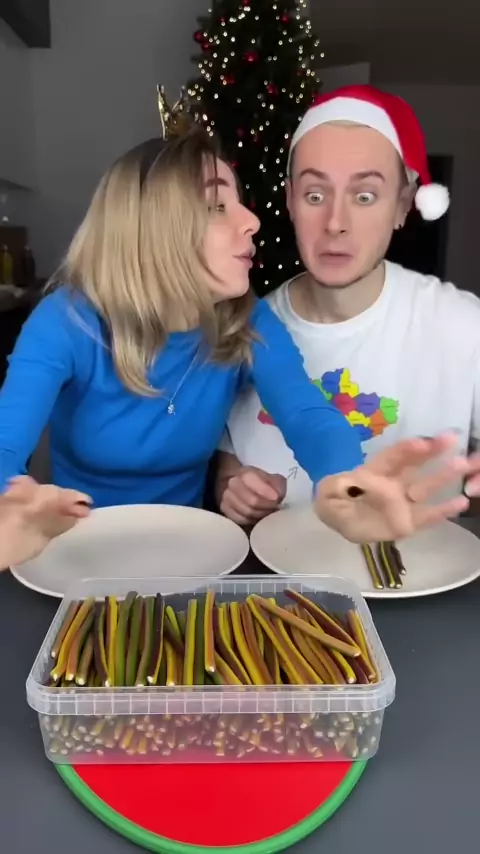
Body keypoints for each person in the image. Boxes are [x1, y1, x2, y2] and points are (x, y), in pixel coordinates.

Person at [0, 123, 476, 571]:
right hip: (76, 560)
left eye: (240, 203)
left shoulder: (247, 319)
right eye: (216, 206)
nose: (251, 221)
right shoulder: (64, 323)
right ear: (151, 227)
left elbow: (307, 414)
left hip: (192, 561)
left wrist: (347, 485)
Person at [216, 84, 480, 525]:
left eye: (364, 196)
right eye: (315, 195)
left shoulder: (464, 326)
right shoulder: (243, 328)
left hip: (417, 567)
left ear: (403, 205)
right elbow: (225, 462)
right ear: (290, 201)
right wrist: (234, 488)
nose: (335, 223)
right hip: (280, 568)